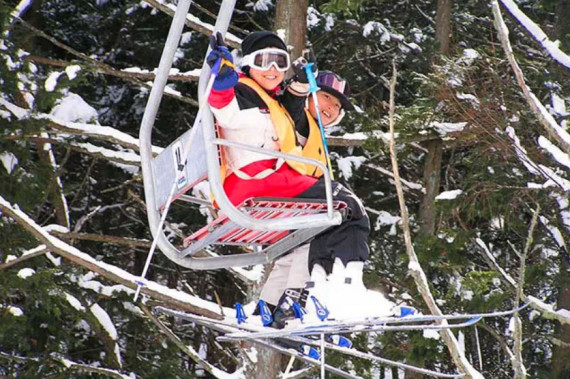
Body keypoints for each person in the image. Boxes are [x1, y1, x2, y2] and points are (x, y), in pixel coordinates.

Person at [206, 31, 381, 325]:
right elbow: (228, 108)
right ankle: (342, 288)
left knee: (301, 241)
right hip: (261, 179)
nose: (273, 69)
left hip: (259, 184)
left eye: (280, 62)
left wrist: (299, 84)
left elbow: (291, 107)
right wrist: (223, 80)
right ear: (249, 63)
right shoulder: (247, 93)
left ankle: (273, 308)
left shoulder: (277, 106)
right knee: (347, 210)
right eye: (265, 61)